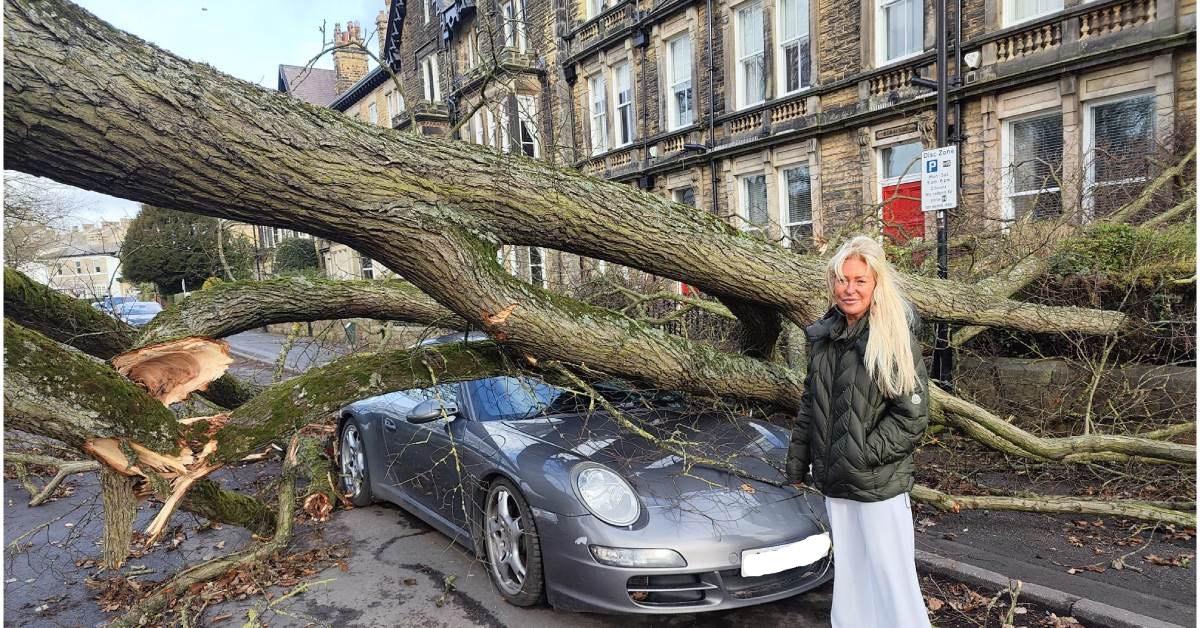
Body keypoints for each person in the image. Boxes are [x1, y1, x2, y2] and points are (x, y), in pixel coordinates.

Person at [787, 235, 931, 628]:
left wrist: (860, 454)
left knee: (891, 576)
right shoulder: (823, 340)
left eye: (859, 280)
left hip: (877, 484)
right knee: (850, 575)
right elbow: (809, 405)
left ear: (875, 285)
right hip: (835, 482)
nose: (849, 288)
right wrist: (798, 462)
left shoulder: (890, 338)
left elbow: (912, 417)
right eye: (841, 279)